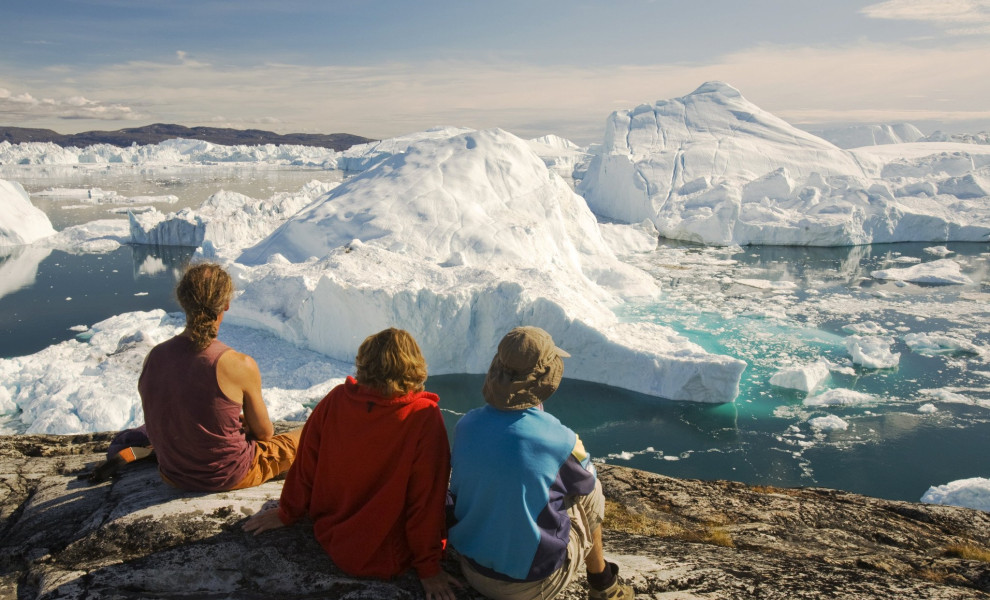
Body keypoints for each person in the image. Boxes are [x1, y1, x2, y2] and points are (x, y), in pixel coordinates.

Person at [243, 328, 459, 600]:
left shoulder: (335, 400)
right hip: (388, 554)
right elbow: (426, 499)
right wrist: (429, 569)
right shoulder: (422, 416)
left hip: (332, 536)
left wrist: (287, 512)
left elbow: (305, 465)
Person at [446, 326, 634, 600]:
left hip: (471, 569)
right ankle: (603, 586)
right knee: (591, 492)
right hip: (530, 585)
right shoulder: (561, 441)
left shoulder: (467, 424)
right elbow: (586, 483)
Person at [139, 262, 300, 492]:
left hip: (173, 474)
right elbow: (265, 434)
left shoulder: (154, 357)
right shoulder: (238, 364)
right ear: (225, 304)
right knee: (309, 431)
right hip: (228, 475)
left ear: (183, 301)